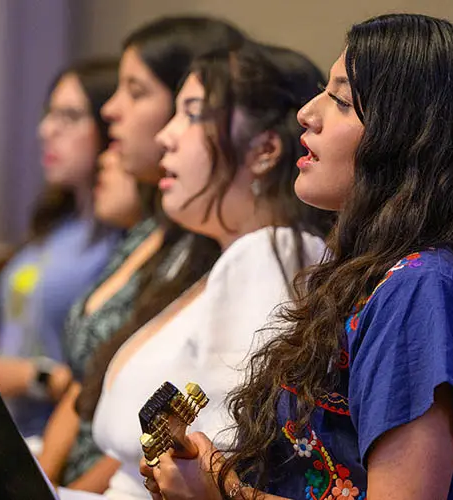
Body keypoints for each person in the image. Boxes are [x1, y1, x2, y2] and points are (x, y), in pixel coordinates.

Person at [142, 13, 453, 500]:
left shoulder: (422, 286)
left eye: (341, 101)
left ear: (409, 138)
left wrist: (222, 490)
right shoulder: (376, 275)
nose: (307, 112)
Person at [89, 41, 332, 500]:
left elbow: (223, 450)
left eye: (194, 113)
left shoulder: (269, 256)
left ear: (264, 149)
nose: (167, 135)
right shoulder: (223, 259)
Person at [36, 17, 246, 489]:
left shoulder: (219, 247)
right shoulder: (148, 231)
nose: (110, 109)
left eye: (135, 91)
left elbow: (163, 428)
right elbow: (88, 378)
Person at [0, 59, 123, 440]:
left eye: (70, 116)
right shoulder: (57, 224)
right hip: (8, 431)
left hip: (61, 439)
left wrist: (34, 377)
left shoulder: (124, 241)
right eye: (50, 114)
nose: (46, 130)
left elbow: (108, 379)